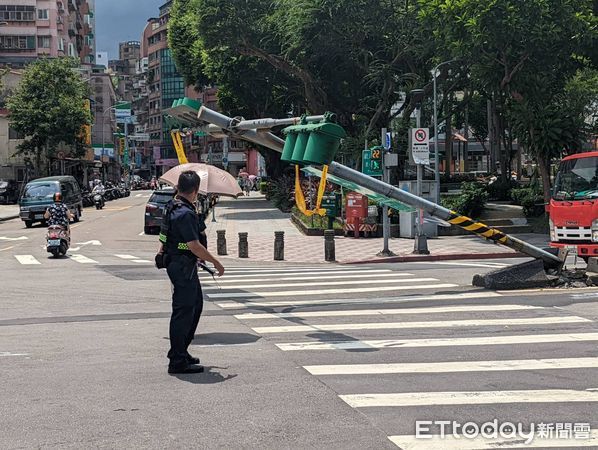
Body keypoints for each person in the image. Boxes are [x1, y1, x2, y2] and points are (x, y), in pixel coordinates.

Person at [158, 171, 224, 374]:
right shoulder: (184, 212)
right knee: (184, 312)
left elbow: (164, 235)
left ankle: (181, 351)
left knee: (195, 306)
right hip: (182, 266)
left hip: (180, 263)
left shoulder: (173, 206)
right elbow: (193, 245)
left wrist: (162, 251)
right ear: (195, 190)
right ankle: (177, 360)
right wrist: (215, 262)